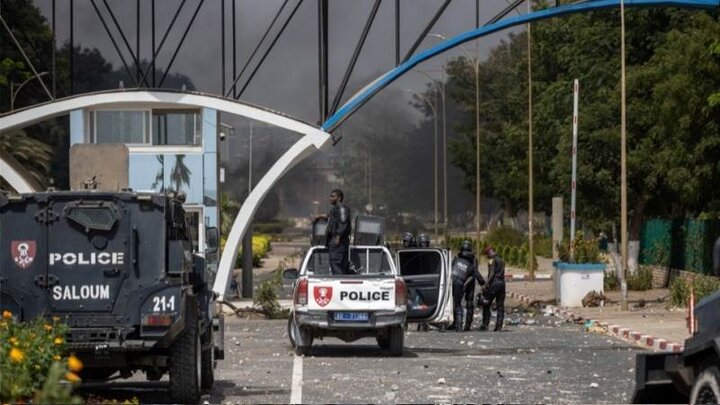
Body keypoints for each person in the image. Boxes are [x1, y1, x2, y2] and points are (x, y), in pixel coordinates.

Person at [449, 240, 484, 332]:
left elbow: (474, 274)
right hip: (466, 281)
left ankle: (466, 325)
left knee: (464, 303)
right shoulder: (462, 258)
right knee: (458, 303)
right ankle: (456, 323)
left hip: (468, 282)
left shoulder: (470, 259)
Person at [478, 246, 506, 332]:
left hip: (494, 284)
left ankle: (485, 324)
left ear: (489, 253)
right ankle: (499, 326)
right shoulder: (501, 260)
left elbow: (492, 273)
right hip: (502, 283)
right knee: (500, 306)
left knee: (486, 303)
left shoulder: (492, 260)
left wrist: (486, 285)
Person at [325, 189, 352, 274]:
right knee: (338, 264)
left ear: (339, 198)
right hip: (337, 241)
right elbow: (330, 217)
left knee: (336, 264)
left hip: (338, 242)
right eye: (330, 196)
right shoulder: (335, 209)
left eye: (333, 196)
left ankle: (338, 282)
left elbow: (343, 222)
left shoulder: (342, 209)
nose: (330, 198)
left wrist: (338, 236)